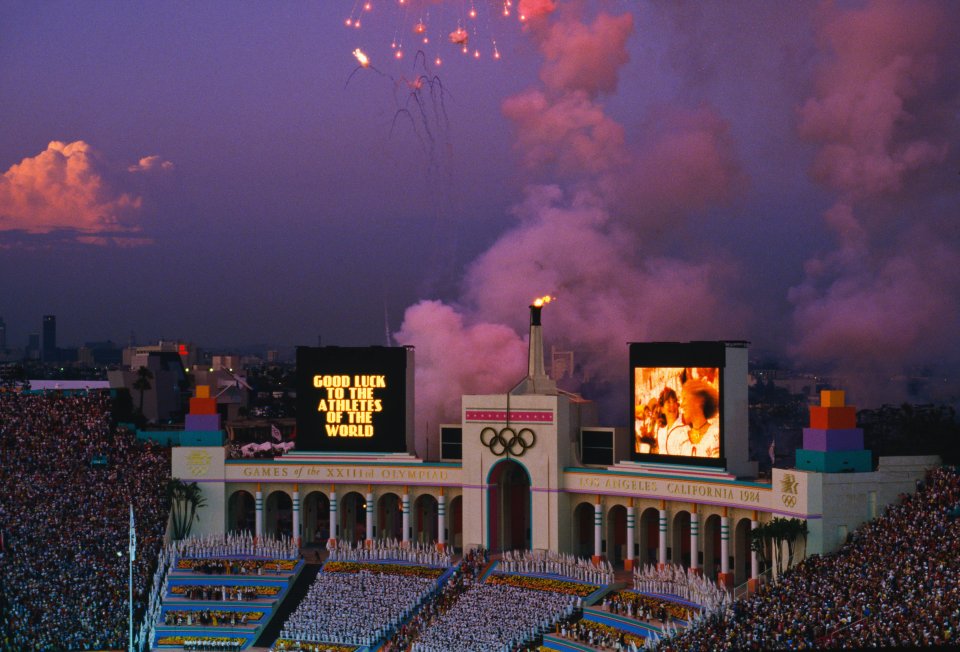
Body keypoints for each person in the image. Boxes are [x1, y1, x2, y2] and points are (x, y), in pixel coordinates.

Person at [667, 379, 720, 458]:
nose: (681, 405)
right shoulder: (679, 437)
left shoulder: (716, 435)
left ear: (699, 400)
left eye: (684, 398)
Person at [655, 388, 684, 455]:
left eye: (674, 401)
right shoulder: (661, 432)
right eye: (668, 402)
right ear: (662, 409)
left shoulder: (684, 427)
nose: (672, 405)